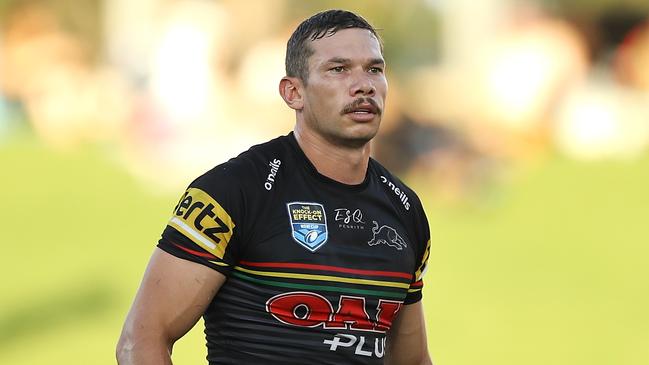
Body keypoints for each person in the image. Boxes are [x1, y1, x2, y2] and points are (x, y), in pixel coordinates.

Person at [116, 9, 433, 365]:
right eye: (338, 69)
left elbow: (413, 361)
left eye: (374, 69)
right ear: (293, 92)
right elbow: (141, 341)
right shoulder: (234, 191)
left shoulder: (405, 210)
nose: (364, 85)